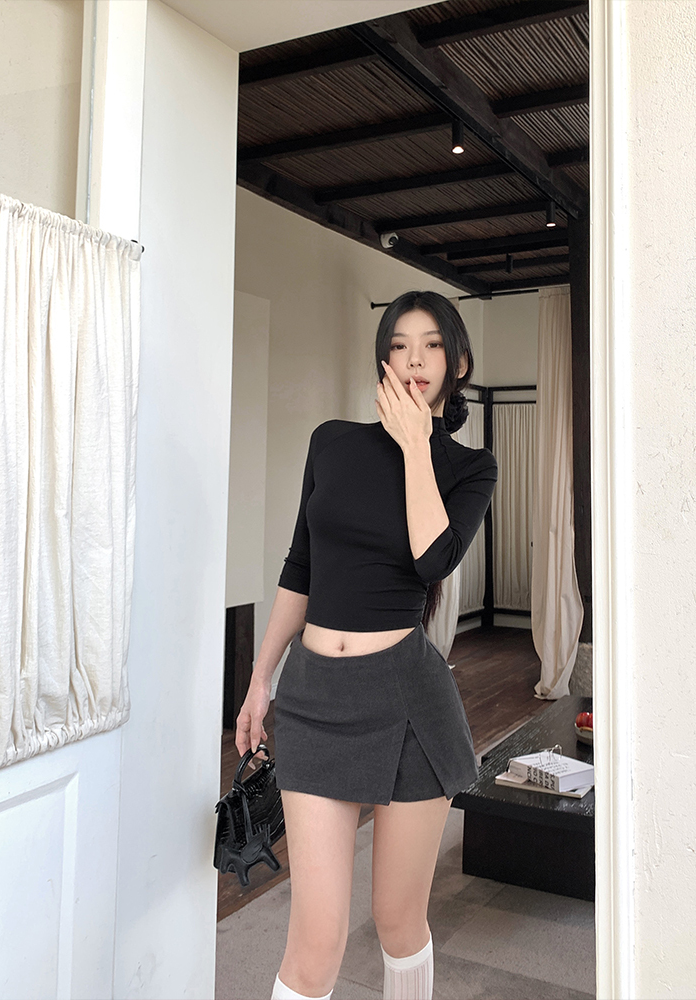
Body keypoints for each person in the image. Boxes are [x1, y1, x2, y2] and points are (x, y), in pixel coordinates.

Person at [235, 290, 498, 1000]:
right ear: (382, 361)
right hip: (315, 697)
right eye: (399, 345)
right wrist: (261, 680)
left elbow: (433, 560)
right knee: (315, 942)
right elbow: (301, 567)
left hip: (408, 701)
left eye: (432, 344)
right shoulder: (332, 442)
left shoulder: (470, 468)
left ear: (458, 362)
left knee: (397, 921)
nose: (414, 359)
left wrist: (416, 445)